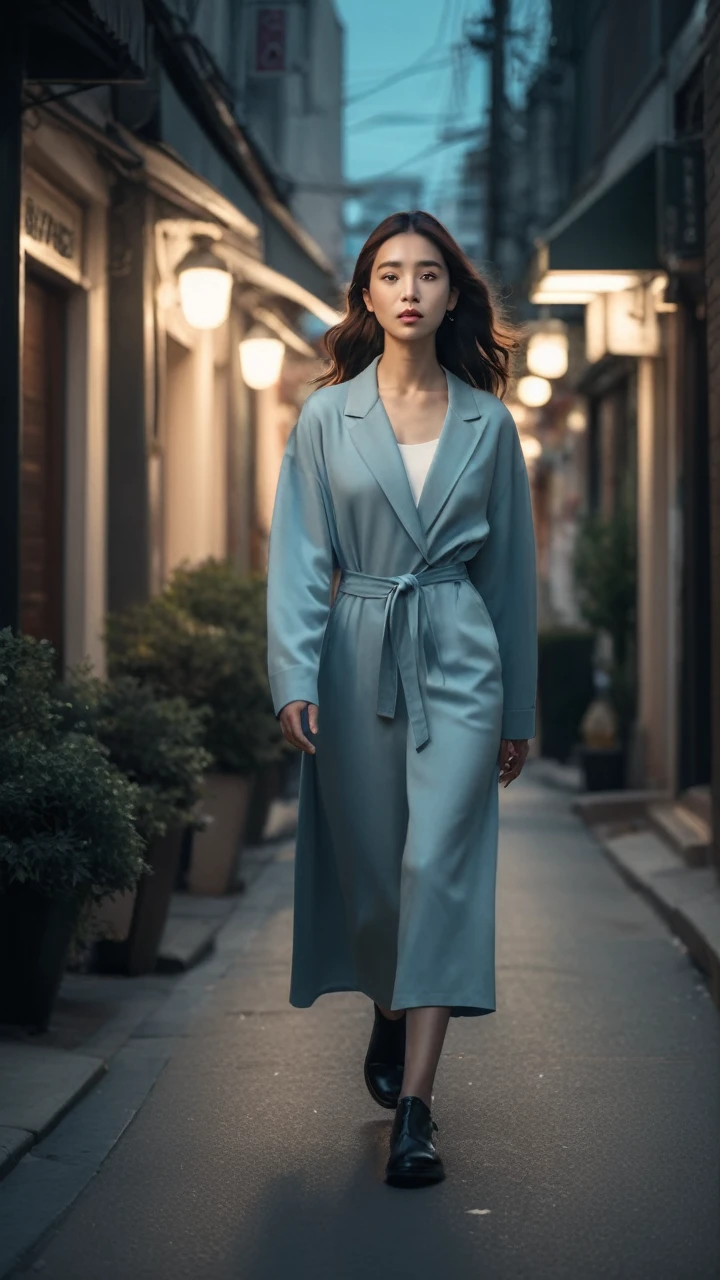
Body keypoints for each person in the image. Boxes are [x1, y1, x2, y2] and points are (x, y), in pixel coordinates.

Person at [266, 210, 538, 1188]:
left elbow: (511, 577)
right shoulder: (323, 417)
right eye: (392, 273)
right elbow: (299, 557)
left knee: (439, 863)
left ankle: (416, 1106)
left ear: (453, 294)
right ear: (368, 295)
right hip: (357, 648)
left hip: (462, 649)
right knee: (378, 871)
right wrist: (293, 673)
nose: (412, 288)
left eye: (430, 273)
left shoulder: (490, 423)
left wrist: (518, 713)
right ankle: (388, 1005)